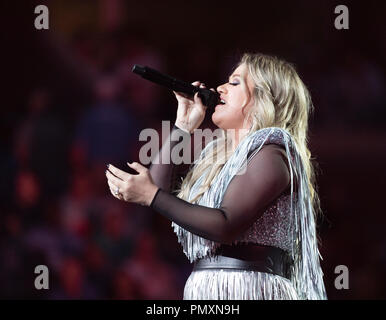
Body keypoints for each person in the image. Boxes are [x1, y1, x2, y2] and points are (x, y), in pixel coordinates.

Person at [105, 52, 327, 300]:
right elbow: (157, 189)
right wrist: (183, 126)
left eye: (234, 82)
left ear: (265, 97)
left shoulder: (272, 153)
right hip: (209, 288)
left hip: (250, 289)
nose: (220, 88)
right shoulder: (220, 158)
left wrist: (152, 195)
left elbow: (224, 224)